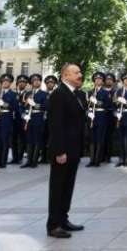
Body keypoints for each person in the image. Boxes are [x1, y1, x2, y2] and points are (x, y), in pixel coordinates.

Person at [46, 63, 86, 239]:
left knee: (68, 186)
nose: (80, 75)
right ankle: (53, 225)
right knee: (58, 187)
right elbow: (56, 125)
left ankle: (63, 219)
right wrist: (59, 151)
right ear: (65, 75)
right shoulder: (58, 94)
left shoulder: (78, 94)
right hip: (62, 150)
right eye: (76, 72)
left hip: (74, 148)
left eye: (79, 72)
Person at [0, 73, 18, 168]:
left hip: (7, 118)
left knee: (4, 140)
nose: (5, 83)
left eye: (7, 81)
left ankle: (3, 162)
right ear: (1, 82)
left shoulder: (13, 94)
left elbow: (15, 107)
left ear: (10, 83)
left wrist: (4, 104)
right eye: (4, 81)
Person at [21, 74, 48, 168]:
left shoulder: (44, 94)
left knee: (37, 140)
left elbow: (46, 106)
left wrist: (35, 104)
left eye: (38, 80)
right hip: (28, 118)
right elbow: (21, 106)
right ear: (31, 83)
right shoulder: (27, 94)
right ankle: (28, 160)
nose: (36, 82)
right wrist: (23, 115)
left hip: (38, 117)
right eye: (34, 81)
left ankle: (34, 161)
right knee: (29, 140)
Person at [86, 72, 111, 167]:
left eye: (100, 79)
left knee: (99, 138)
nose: (98, 81)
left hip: (101, 116)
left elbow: (108, 105)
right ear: (94, 81)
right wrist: (89, 112)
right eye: (96, 79)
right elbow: (86, 106)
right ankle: (91, 160)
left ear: (102, 81)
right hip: (92, 116)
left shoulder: (106, 93)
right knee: (92, 139)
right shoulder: (89, 92)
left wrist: (98, 103)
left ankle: (97, 160)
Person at [11, 74, 30, 164]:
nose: (22, 84)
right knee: (13, 139)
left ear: (26, 84)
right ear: (17, 83)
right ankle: (14, 157)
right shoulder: (13, 93)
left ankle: (20, 157)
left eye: (24, 82)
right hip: (13, 119)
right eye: (20, 82)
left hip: (23, 119)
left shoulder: (28, 94)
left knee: (22, 139)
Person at [40, 75, 58, 164]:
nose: (50, 84)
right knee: (43, 138)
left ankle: (51, 157)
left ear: (54, 84)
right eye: (48, 83)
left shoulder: (58, 94)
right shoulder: (43, 94)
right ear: (46, 84)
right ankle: (43, 157)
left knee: (52, 139)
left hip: (54, 119)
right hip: (44, 118)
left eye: (52, 83)